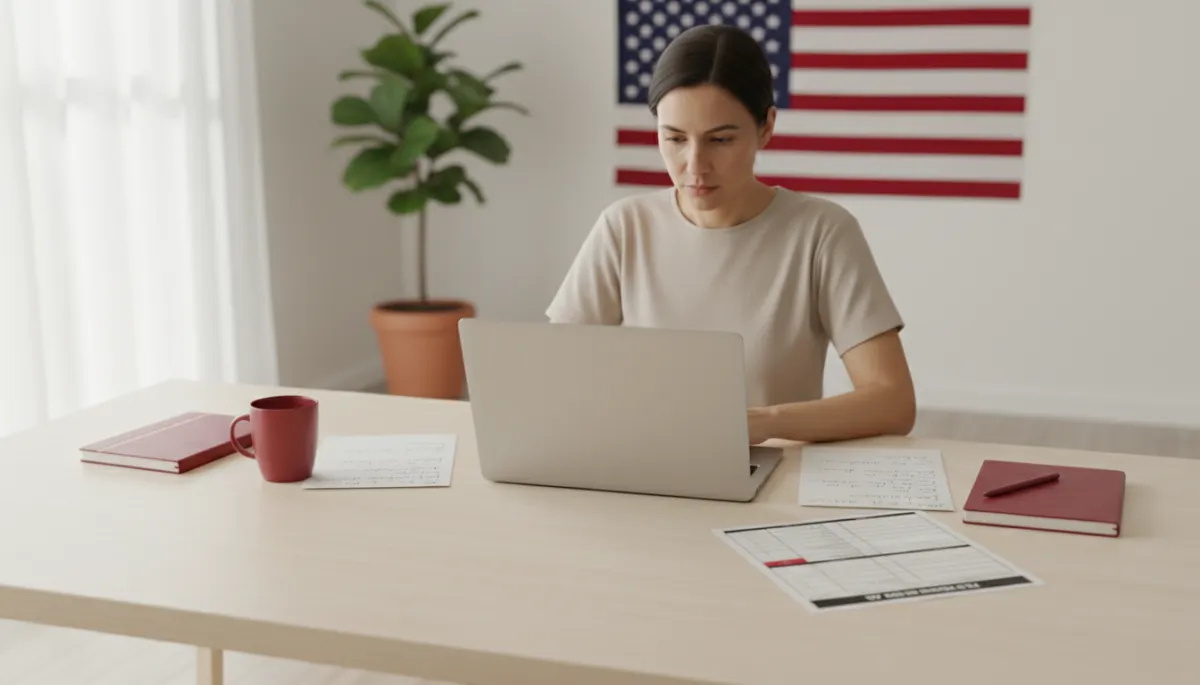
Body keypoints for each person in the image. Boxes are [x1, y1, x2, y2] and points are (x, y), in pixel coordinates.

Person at [545, 24, 916, 445]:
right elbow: (556, 377)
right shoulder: (624, 227)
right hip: (640, 464)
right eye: (675, 139)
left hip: (769, 474)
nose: (695, 165)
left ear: (766, 127)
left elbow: (893, 402)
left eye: (720, 139)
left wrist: (767, 422)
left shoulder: (822, 232)